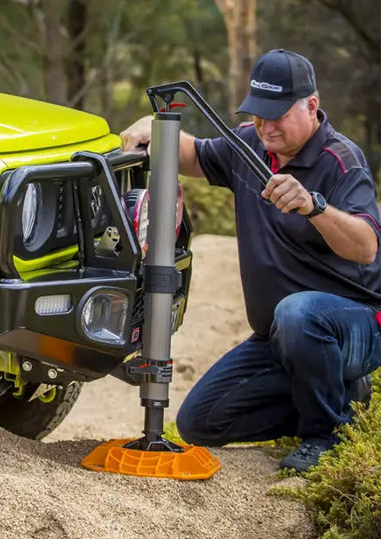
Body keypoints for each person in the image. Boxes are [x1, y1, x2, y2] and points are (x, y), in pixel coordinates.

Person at [120, 48, 381, 473]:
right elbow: (194, 154)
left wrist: (315, 207)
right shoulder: (250, 144)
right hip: (278, 336)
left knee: (299, 312)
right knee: (199, 421)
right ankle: (341, 397)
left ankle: (326, 436)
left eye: (277, 115)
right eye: (259, 113)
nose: (266, 125)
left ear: (311, 106)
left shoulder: (342, 161)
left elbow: (366, 245)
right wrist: (156, 131)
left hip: (358, 326)